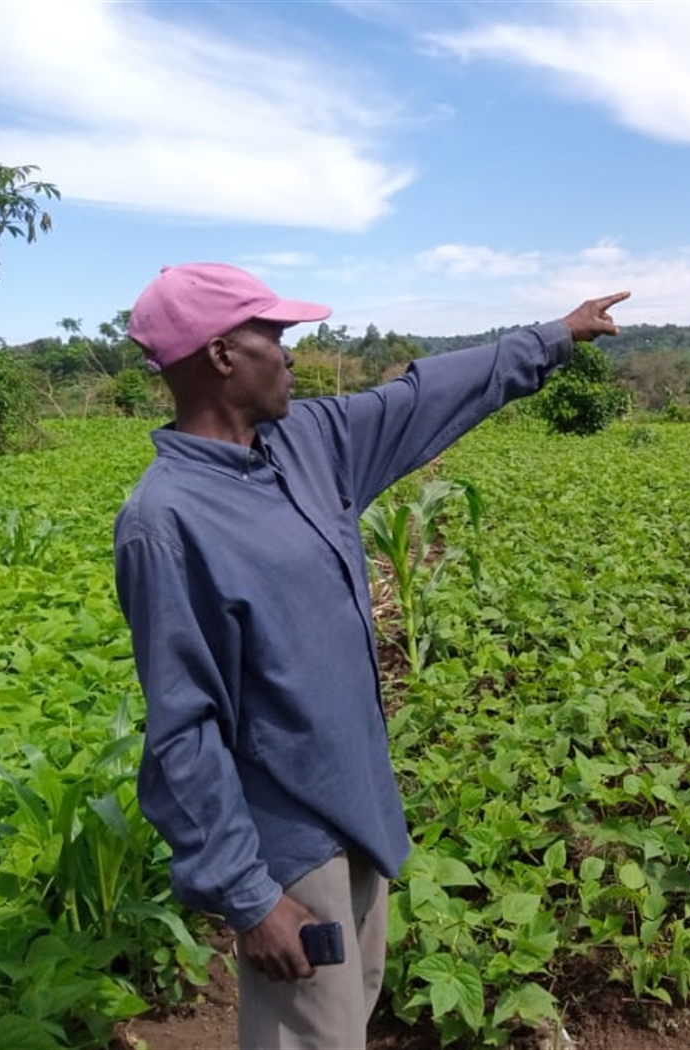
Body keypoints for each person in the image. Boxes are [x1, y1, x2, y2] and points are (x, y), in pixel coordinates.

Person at [113, 262, 628, 1049]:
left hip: (362, 811)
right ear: (221, 355)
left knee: (351, 1013)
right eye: (274, 336)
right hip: (288, 844)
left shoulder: (309, 442)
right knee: (313, 1038)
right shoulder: (167, 520)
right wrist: (249, 898)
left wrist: (554, 338)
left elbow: (424, 395)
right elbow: (184, 729)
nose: (290, 354)